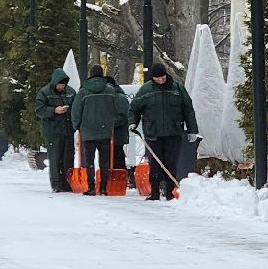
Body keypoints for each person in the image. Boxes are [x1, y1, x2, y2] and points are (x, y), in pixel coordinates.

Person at [131, 63, 198, 201]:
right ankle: (155, 191)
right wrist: (132, 122)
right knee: (155, 163)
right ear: (153, 78)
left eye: (162, 77)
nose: (161, 80)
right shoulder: (146, 90)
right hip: (153, 133)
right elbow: (134, 109)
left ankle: (169, 191)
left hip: (173, 133)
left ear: (166, 75)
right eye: (157, 78)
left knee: (171, 162)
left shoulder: (177, 89)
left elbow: (188, 109)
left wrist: (192, 130)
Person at [71, 65, 127, 196]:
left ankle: (91, 187)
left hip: (88, 131)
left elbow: (75, 112)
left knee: (89, 160)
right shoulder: (111, 90)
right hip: (105, 131)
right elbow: (118, 109)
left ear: (90, 75)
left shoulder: (83, 92)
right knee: (105, 160)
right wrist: (111, 123)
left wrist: (77, 126)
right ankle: (103, 187)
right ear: (102, 75)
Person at [34, 69, 78, 193]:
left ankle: (67, 182)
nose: (61, 87)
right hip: (52, 131)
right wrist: (54, 110)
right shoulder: (44, 93)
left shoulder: (71, 92)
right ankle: (56, 183)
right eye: (59, 85)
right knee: (55, 158)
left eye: (63, 85)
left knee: (68, 158)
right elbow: (39, 110)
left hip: (68, 130)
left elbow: (76, 108)